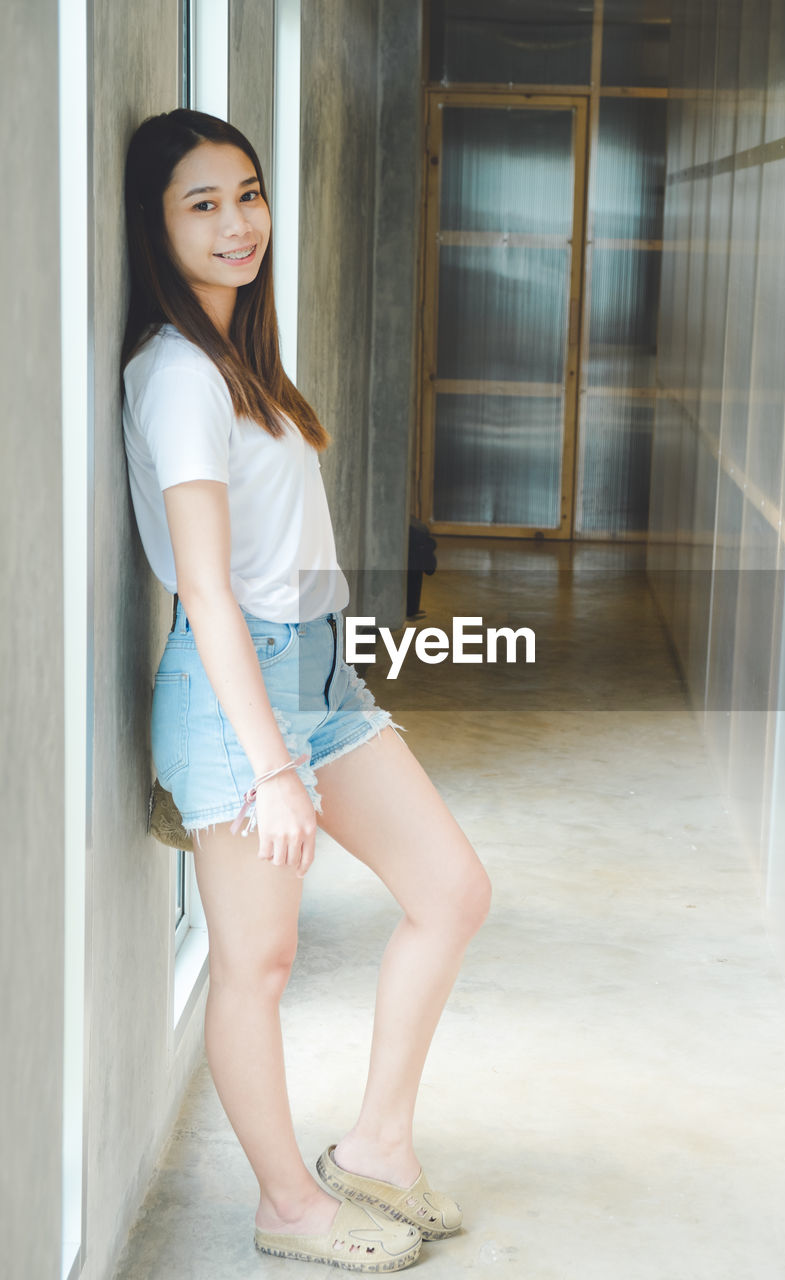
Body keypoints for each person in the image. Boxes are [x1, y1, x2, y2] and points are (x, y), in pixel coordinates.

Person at [120, 108, 491, 1271]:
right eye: (203, 203)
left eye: (248, 193)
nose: (239, 223)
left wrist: (325, 698)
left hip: (322, 672)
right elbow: (208, 591)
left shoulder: (243, 361)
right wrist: (272, 765)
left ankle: (377, 1146)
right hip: (246, 688)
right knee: (257, 964)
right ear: (157, 225)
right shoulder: (178, 374)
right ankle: (289, 1204)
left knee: (452, 889)